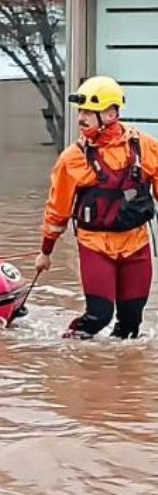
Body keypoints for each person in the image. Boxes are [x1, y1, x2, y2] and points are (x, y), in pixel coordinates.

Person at [34, 76, 158, 340]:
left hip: (136, 244)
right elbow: (57, 210)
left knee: (131, 322)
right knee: (98, 317)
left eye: (89, 112)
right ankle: (68, 352)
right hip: (95, 245)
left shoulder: (146, 147)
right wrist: (46, 251)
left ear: (111, 114)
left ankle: (117, 377)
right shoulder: (72, 158)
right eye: (81, 112)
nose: (82, 118)